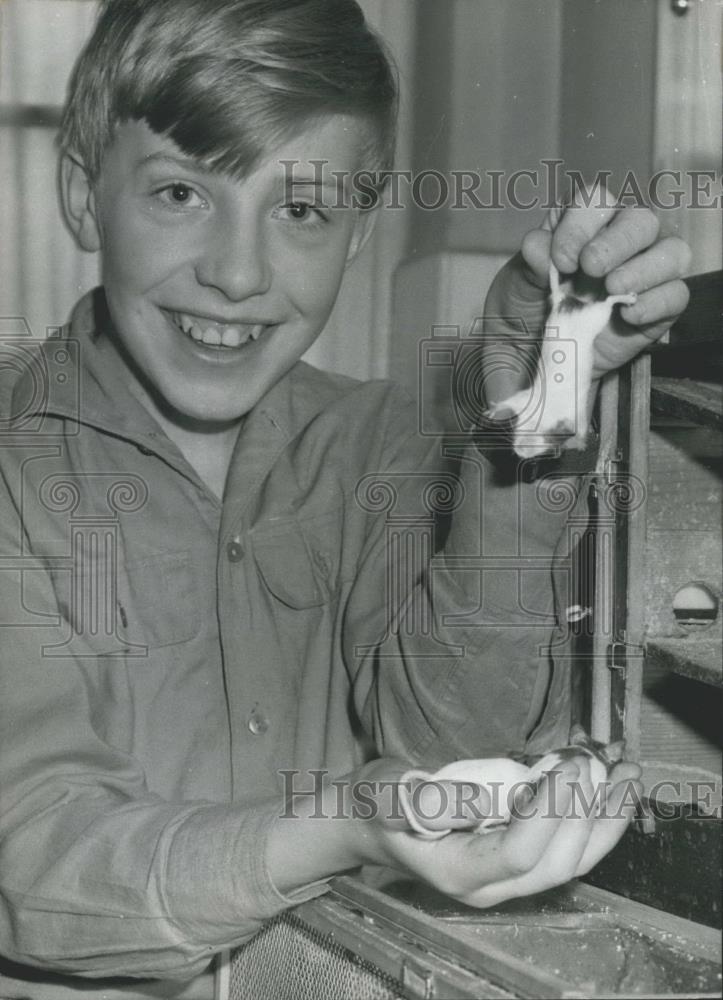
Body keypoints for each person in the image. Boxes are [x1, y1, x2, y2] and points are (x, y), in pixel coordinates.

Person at [0, 1, 691, 997]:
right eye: (182, 193)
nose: (236, 274)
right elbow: (32, 855)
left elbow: (452, 749)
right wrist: (343, 823)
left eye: (304, 209)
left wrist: (534, 424)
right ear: (81, 194)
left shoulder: (385, 448)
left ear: (359, 234)